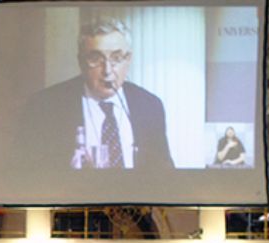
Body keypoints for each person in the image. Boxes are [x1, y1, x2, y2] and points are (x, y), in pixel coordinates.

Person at [15, 16, 173, 172]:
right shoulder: (45, 106)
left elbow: (165, 174)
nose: (108, 71)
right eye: (96, 58)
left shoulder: (150, 106)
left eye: (116, 58)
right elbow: (26, 175)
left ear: (128, 59)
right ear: (81, 62)